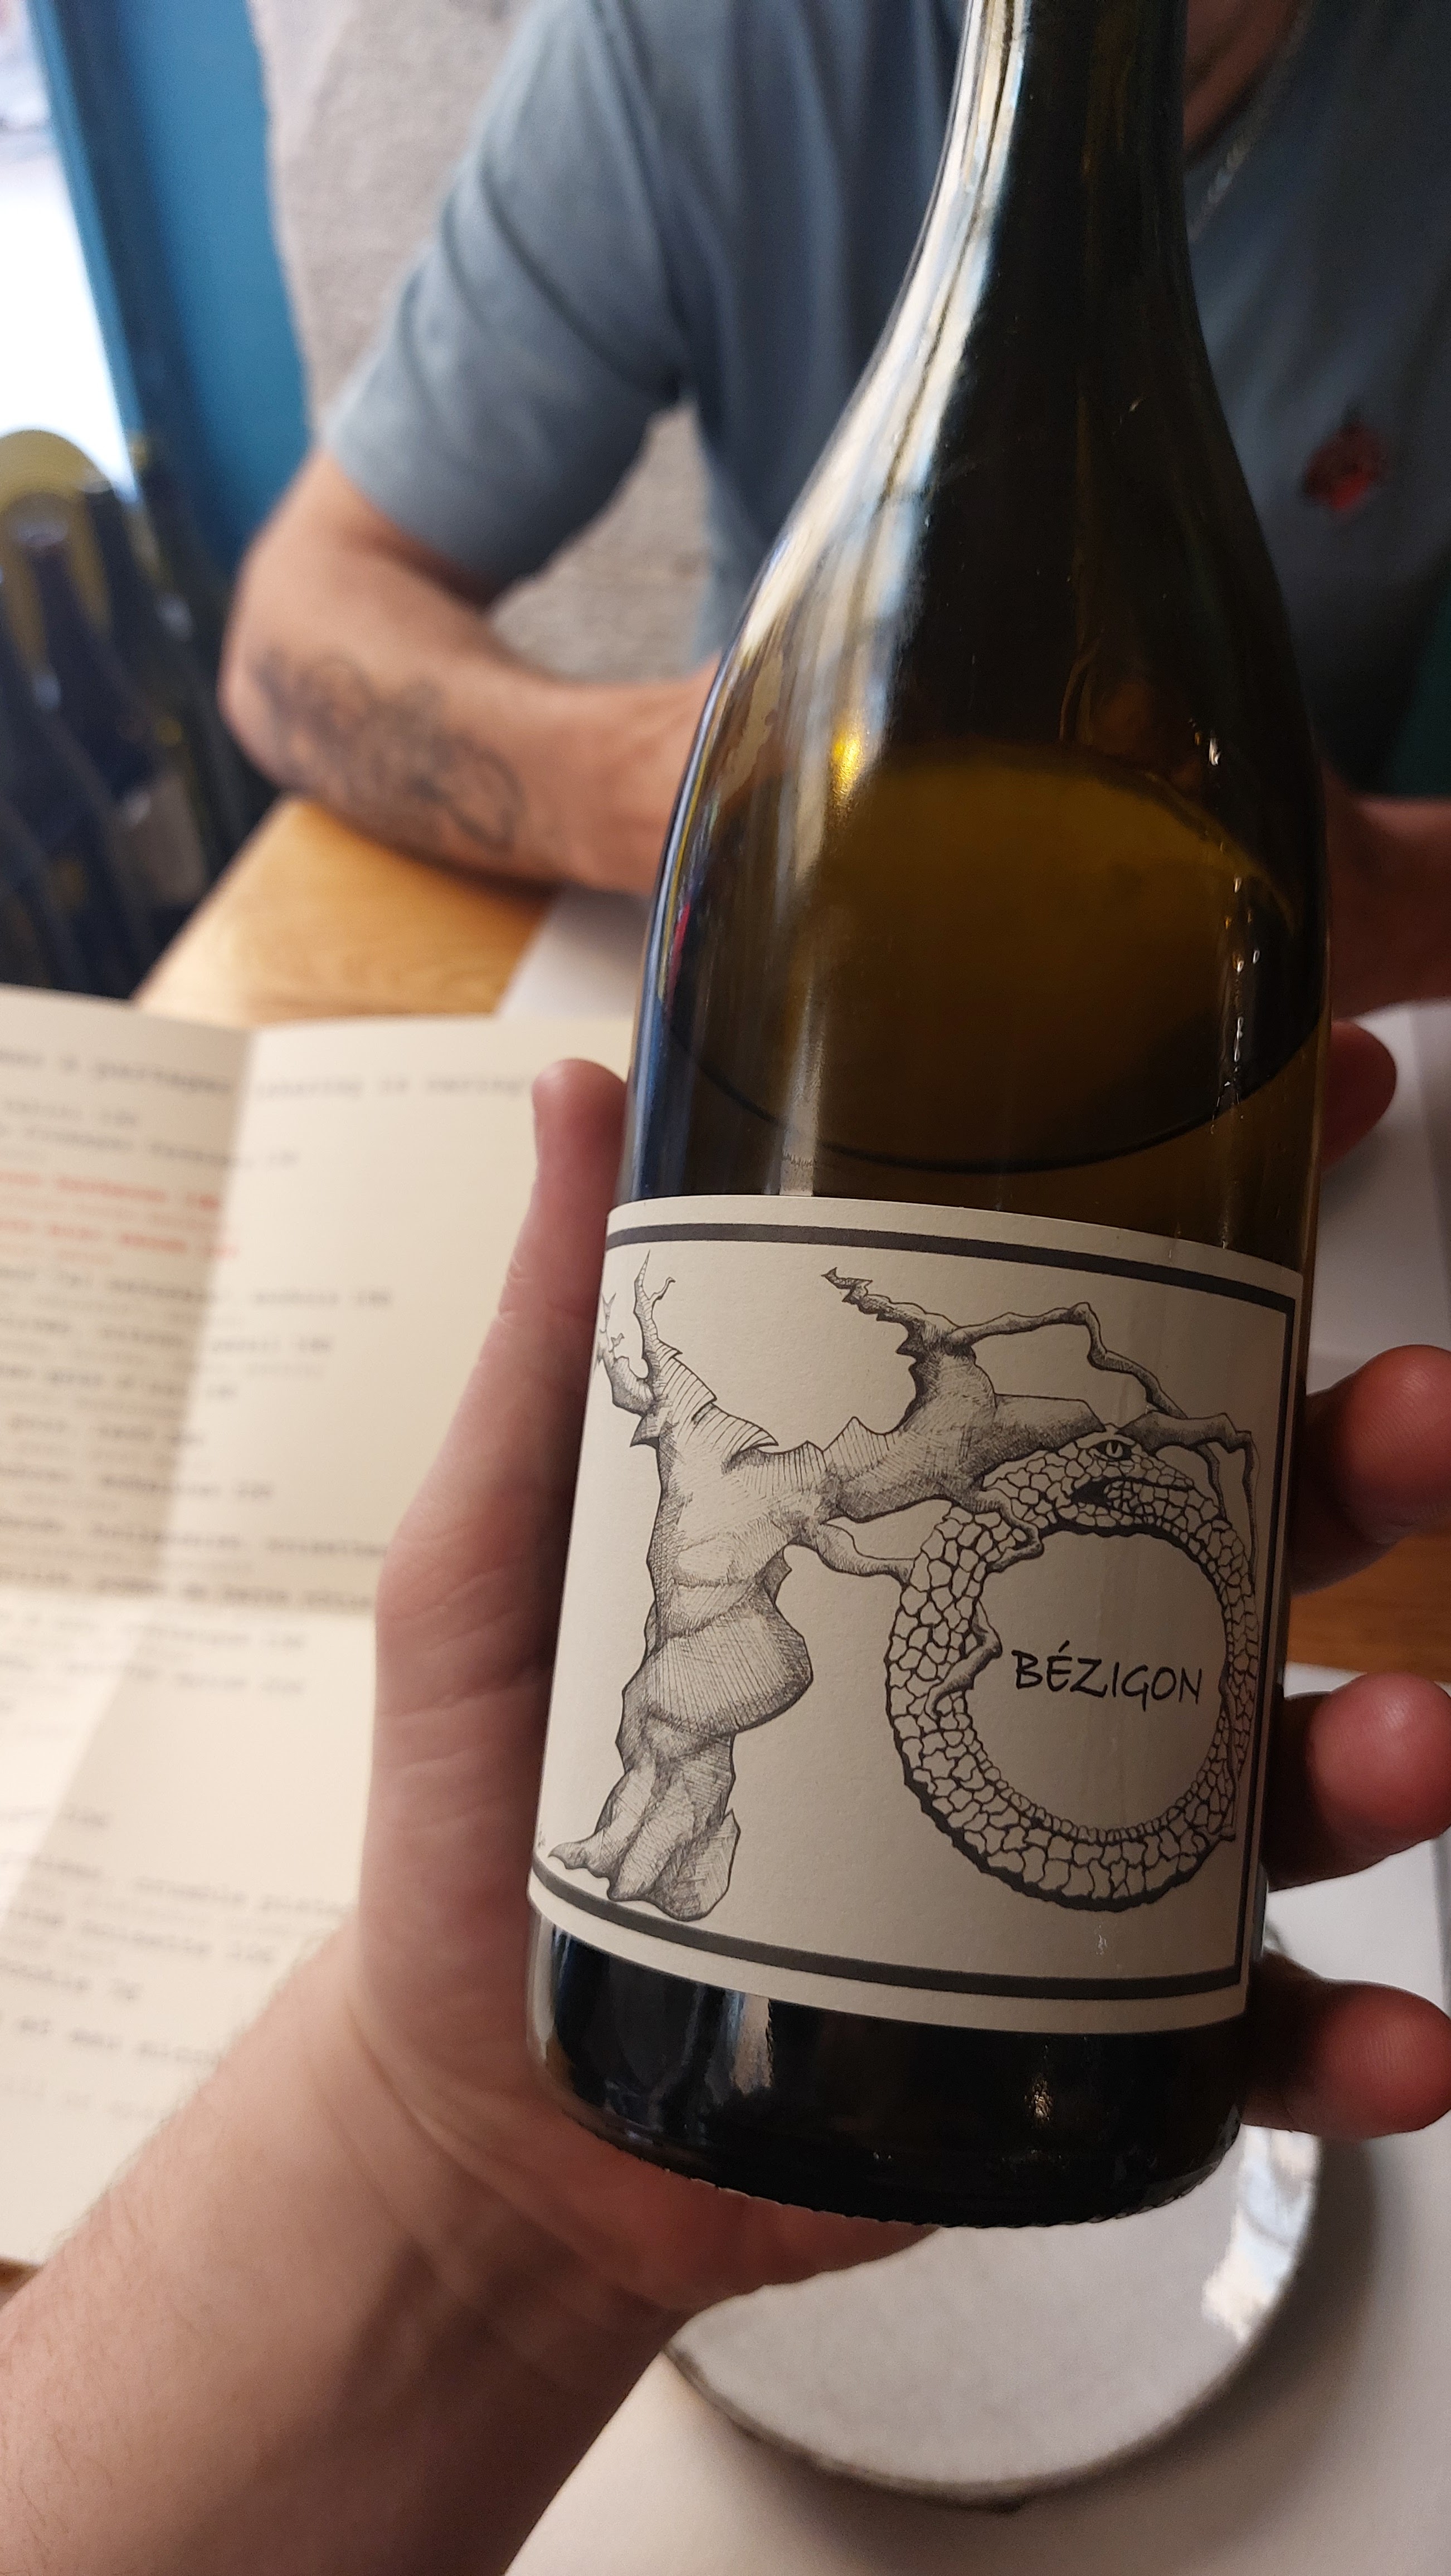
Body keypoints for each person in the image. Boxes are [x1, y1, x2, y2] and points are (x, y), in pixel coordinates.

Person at [1, 1032, 1449, 2572]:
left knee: (658, 1721)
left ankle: (661, 1855)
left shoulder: (756, 1461)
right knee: (660, 1736)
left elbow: (823, 1467)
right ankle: (672, 1861)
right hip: (742, 1749)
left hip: (772, 1663)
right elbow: (768, 1449)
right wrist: (429, 2145)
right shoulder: (734, 1459)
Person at [219, 0, 1451, 1017]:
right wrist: (668, 786)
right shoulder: (686, 41)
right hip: (779, 963)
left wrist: (1394, 902)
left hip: (1250, 1001)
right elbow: (304, 615)